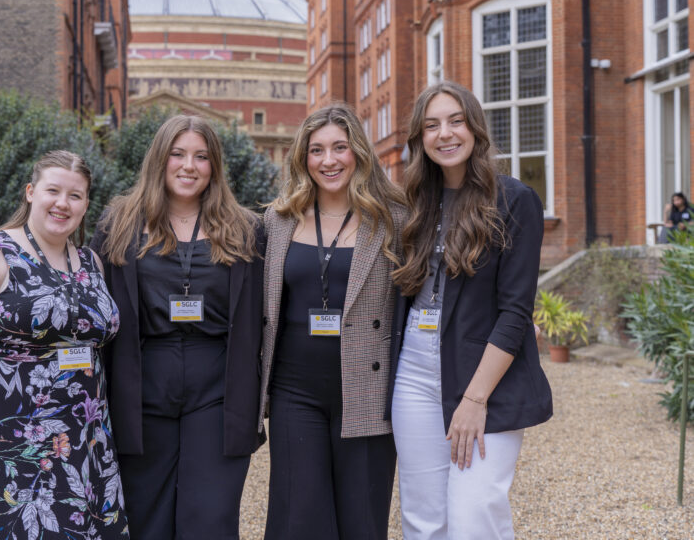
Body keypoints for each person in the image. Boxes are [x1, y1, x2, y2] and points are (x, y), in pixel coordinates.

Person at [0, 150, 129, 540]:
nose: (63, 203)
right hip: (11, 436)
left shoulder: (91, 262)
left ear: (86, 203)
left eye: (75, 195)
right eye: (53, 191)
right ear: (30, 193)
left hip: (85, 437)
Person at [388, 80, 553, 540]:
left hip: (485, 376)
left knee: (473, 515)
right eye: (431, 125)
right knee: (424, 518)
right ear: (420, 139)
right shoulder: (414, 203)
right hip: (415, 371)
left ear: (475, 128)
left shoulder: (514, 200)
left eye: (456, 121)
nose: (445, 134)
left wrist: (474, 399)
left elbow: (516, 312)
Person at [90, 114, 264, 540]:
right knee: (146, 513)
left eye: (202, 157)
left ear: (215, 166)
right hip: (143, 380)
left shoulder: (245, 229)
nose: (189, 166)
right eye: (178, 154)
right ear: (159, 159)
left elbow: (266, 308)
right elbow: (88, 298)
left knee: (211, 516)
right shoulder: (119, 223)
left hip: (218, 386)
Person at [259, 103, 407, 540]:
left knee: (362, 520)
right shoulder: (278, 219)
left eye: (339, 148)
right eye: (317, 150)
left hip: (367, 389)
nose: (329, 160)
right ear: (303, 158)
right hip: (293, 391)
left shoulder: (393, 220)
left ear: (358, 152)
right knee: (297, 518)